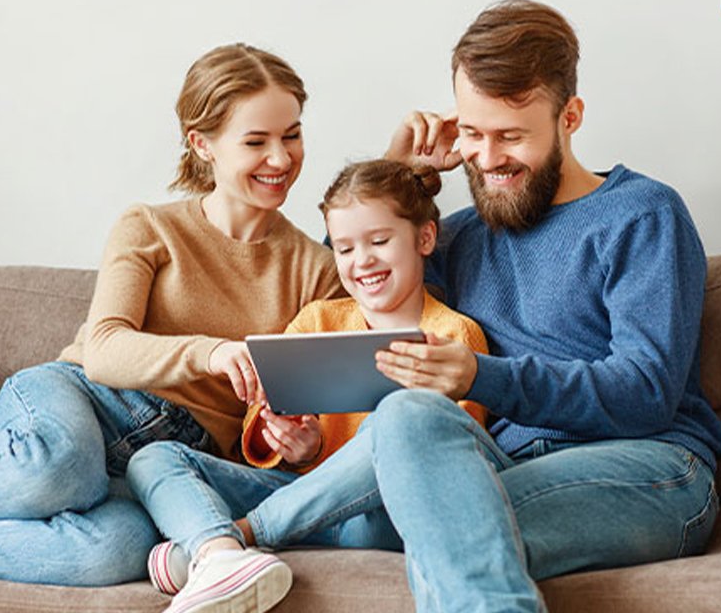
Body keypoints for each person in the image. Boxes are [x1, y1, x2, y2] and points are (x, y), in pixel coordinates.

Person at [233, 0, 721, 613]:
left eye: (510, 136)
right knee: (408, 421)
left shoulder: (641, 215)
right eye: (472, 133)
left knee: (420, 526)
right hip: (499, 464)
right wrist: (395, 170)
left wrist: (481, 376)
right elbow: (343, 271)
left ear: (569, 116)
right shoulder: (460, 236)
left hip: (653, 469)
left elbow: (645, 391)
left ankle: (239, 537)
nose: (488, 159)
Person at [0, 43, 343, 586]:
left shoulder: (316, 268)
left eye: (292, 135)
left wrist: (291, 444)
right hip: (78, 401)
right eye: (257, 142)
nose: (282, 158)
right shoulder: (150, 227)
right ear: (203, 145)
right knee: (60, 467)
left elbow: (293, 408)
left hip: (170, 462)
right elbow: (103, 348)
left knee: (117, 552)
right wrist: (210, 352)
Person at [125, 159, 489, 613]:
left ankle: (226, 541)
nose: (363, 262)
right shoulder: (319, 319)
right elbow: (261, 415)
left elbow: (445, 459)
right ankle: (220, 554)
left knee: (394, 441)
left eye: (379, 241)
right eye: (345, 248)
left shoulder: (454, 337)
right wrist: (297, 444)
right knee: (155, 457)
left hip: (378, 517)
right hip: (292, 488)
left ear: (424, 238)